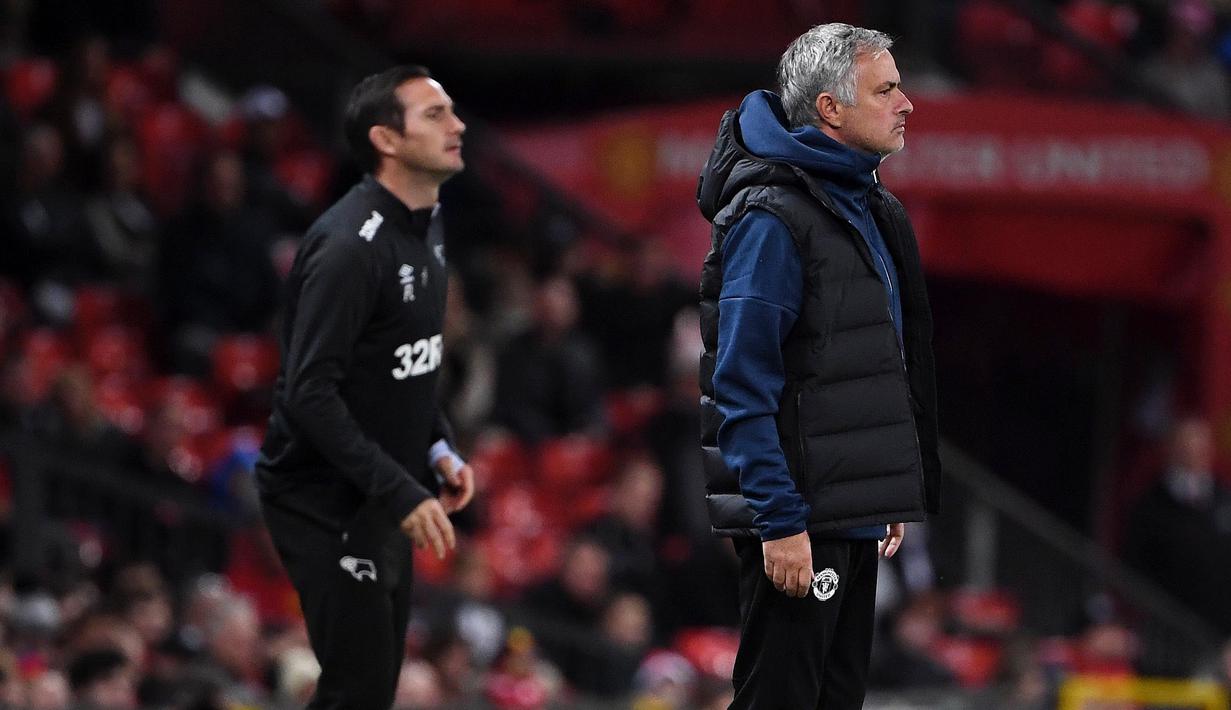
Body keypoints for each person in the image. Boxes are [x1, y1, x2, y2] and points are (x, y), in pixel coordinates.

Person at [696, 24, 942, 708]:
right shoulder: (771, 217)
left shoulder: (864, 205)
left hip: (846, 510)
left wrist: (881, 486)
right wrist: (777, 519)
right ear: (829, 108)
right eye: (885, 88)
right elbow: (739, 383)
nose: (906, 103)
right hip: (799, 517)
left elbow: (871, 359)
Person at [256, 65, 475, 710]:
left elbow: (404, 365)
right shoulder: (350, 246)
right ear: (386, 138)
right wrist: (402, 488)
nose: (457, 125)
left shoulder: (428, 224)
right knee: (357, 690)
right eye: (435, 115)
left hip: (383, 491)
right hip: (323, 498)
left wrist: (437, 446)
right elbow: (309, 392)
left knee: (371, 690)